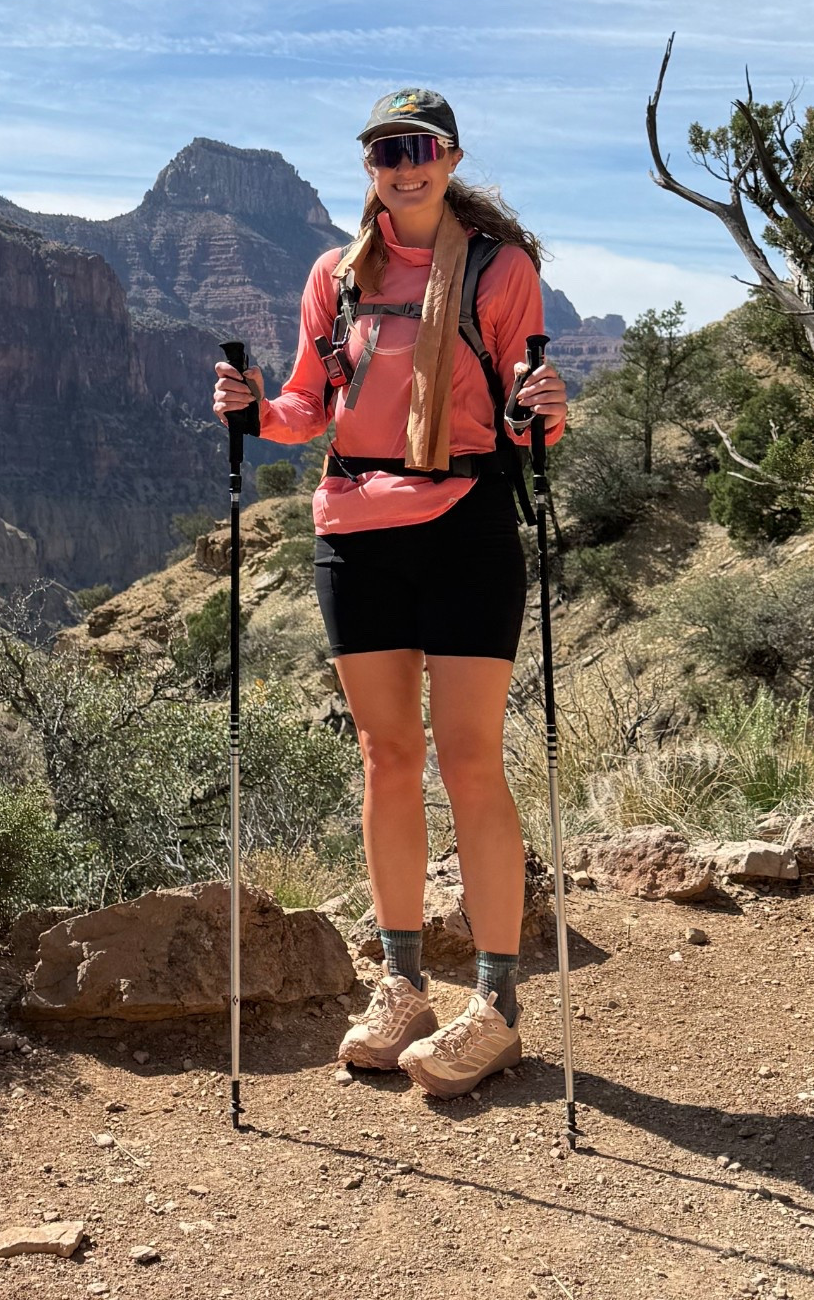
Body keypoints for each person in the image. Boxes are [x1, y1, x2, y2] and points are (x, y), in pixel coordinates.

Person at [213, 87, 568, 1099]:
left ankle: (495, 1004)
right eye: (383, 151)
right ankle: (403, 980)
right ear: (367, 166)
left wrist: (547, 408)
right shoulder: (336, 274)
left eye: (418, 148)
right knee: (386, 754)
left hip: (465, 522)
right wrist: (250, 410)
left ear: (450, 157)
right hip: (352, 532)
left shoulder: (502, 270)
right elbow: (304, 405)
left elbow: (526, 411)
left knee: (467, 756)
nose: (401, 165)